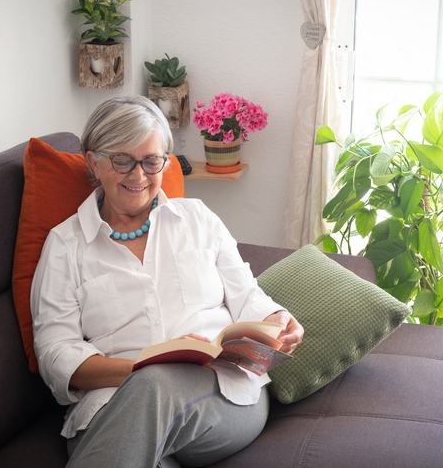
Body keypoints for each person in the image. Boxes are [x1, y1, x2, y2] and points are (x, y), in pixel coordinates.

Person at [30, 96, 303, 468]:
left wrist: (277, 320)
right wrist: (142, 368)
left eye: (151, 161)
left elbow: (248, 297)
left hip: (220, 395)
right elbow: (56, 354)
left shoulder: (199, 219)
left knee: (154, 387)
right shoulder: (65, 245)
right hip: (109, 403)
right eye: (122, 160)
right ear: (93, 161)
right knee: (149, 404)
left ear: (165, 161)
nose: (138, 175)